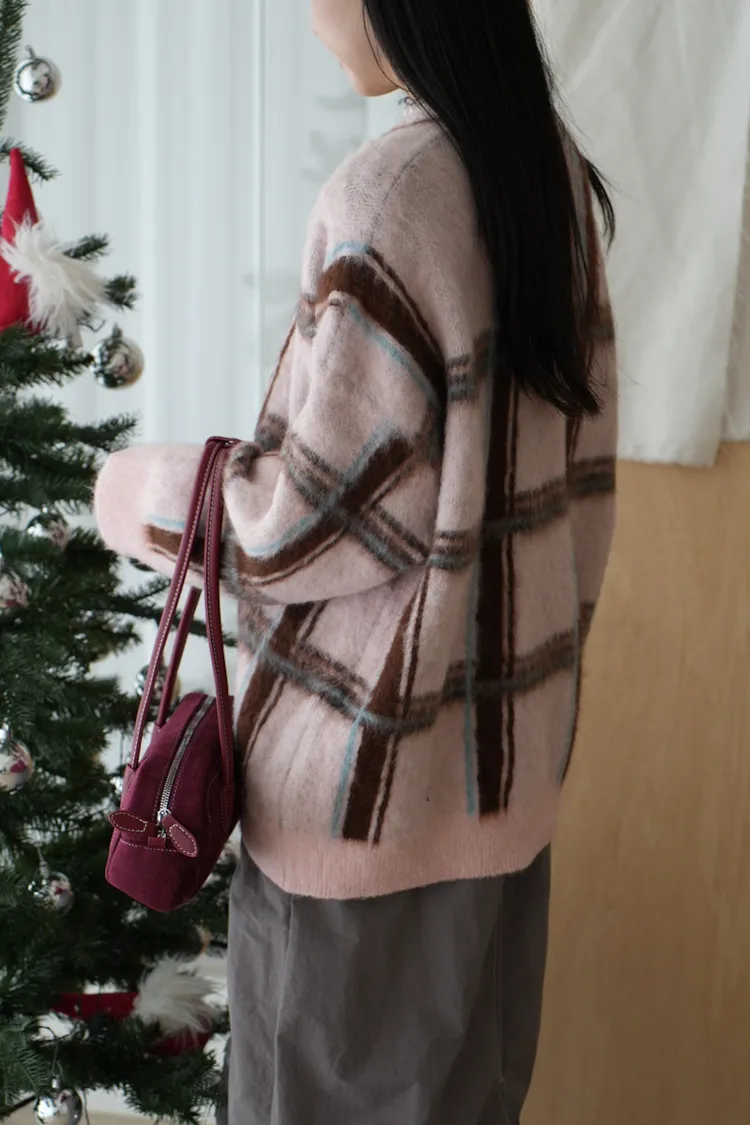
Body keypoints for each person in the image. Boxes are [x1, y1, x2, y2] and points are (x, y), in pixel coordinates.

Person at [95, 1, 617, 1121]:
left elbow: (303, 526)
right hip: (505, 788)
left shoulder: (389, 198)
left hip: (362, 805)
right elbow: (581, 500)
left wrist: (135, 492)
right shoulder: (549, 174)